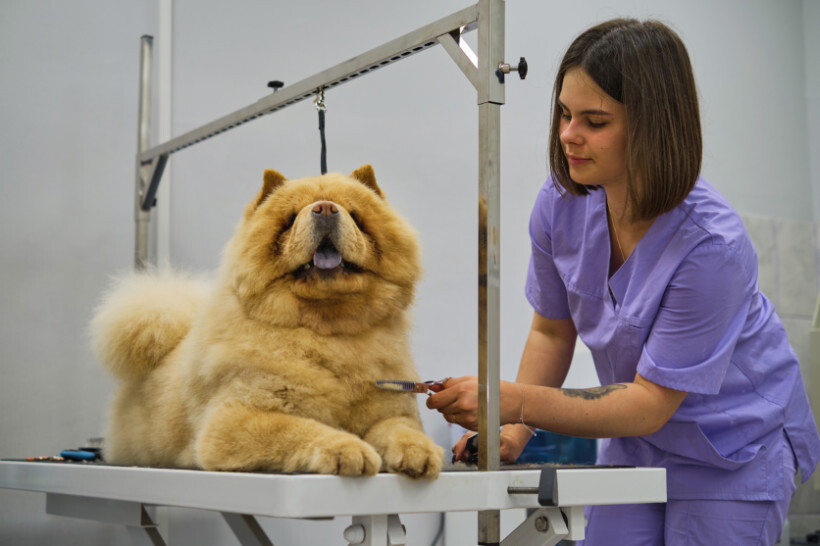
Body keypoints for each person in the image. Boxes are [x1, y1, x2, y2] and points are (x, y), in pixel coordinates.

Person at [426, 18, 820, 545]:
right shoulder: (560, 205)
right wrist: (512, 430)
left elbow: (650, 403)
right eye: (565, 114)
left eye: (595, 120)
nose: (569, 135)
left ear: (653, 127)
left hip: (734, 447)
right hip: (636, 441)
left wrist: (511, 401)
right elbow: (552, 331)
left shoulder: (710, 245)